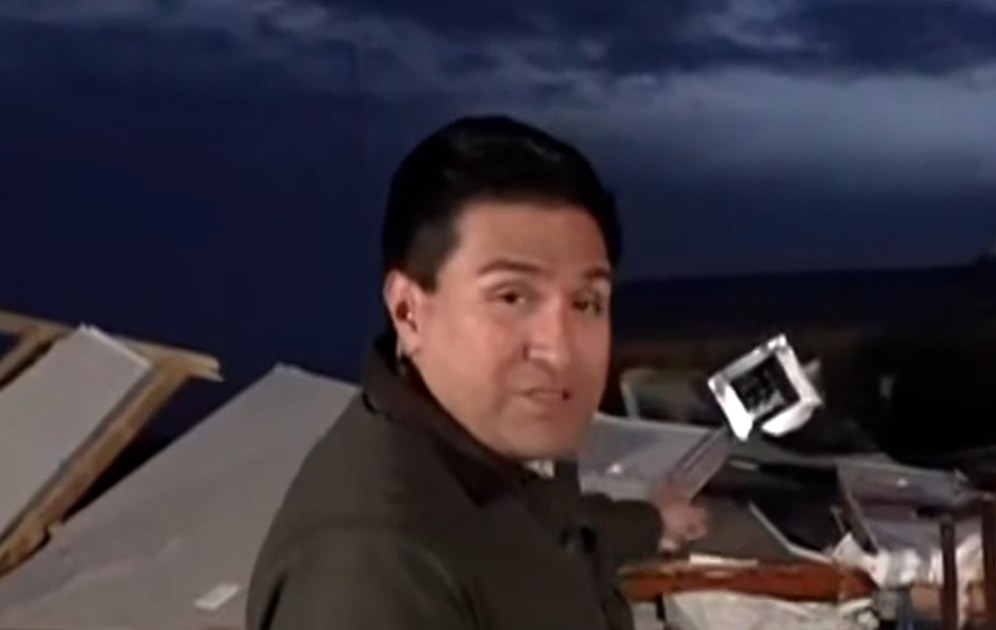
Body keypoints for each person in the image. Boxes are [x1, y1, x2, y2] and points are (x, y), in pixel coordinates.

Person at [246, 115, 709, 630]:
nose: (559, 352)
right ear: (408, 313)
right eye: (511, 297)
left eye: (586, 303)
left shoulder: (490, 449)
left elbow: (555, 533)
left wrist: (652, 524)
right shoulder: (372, 571)